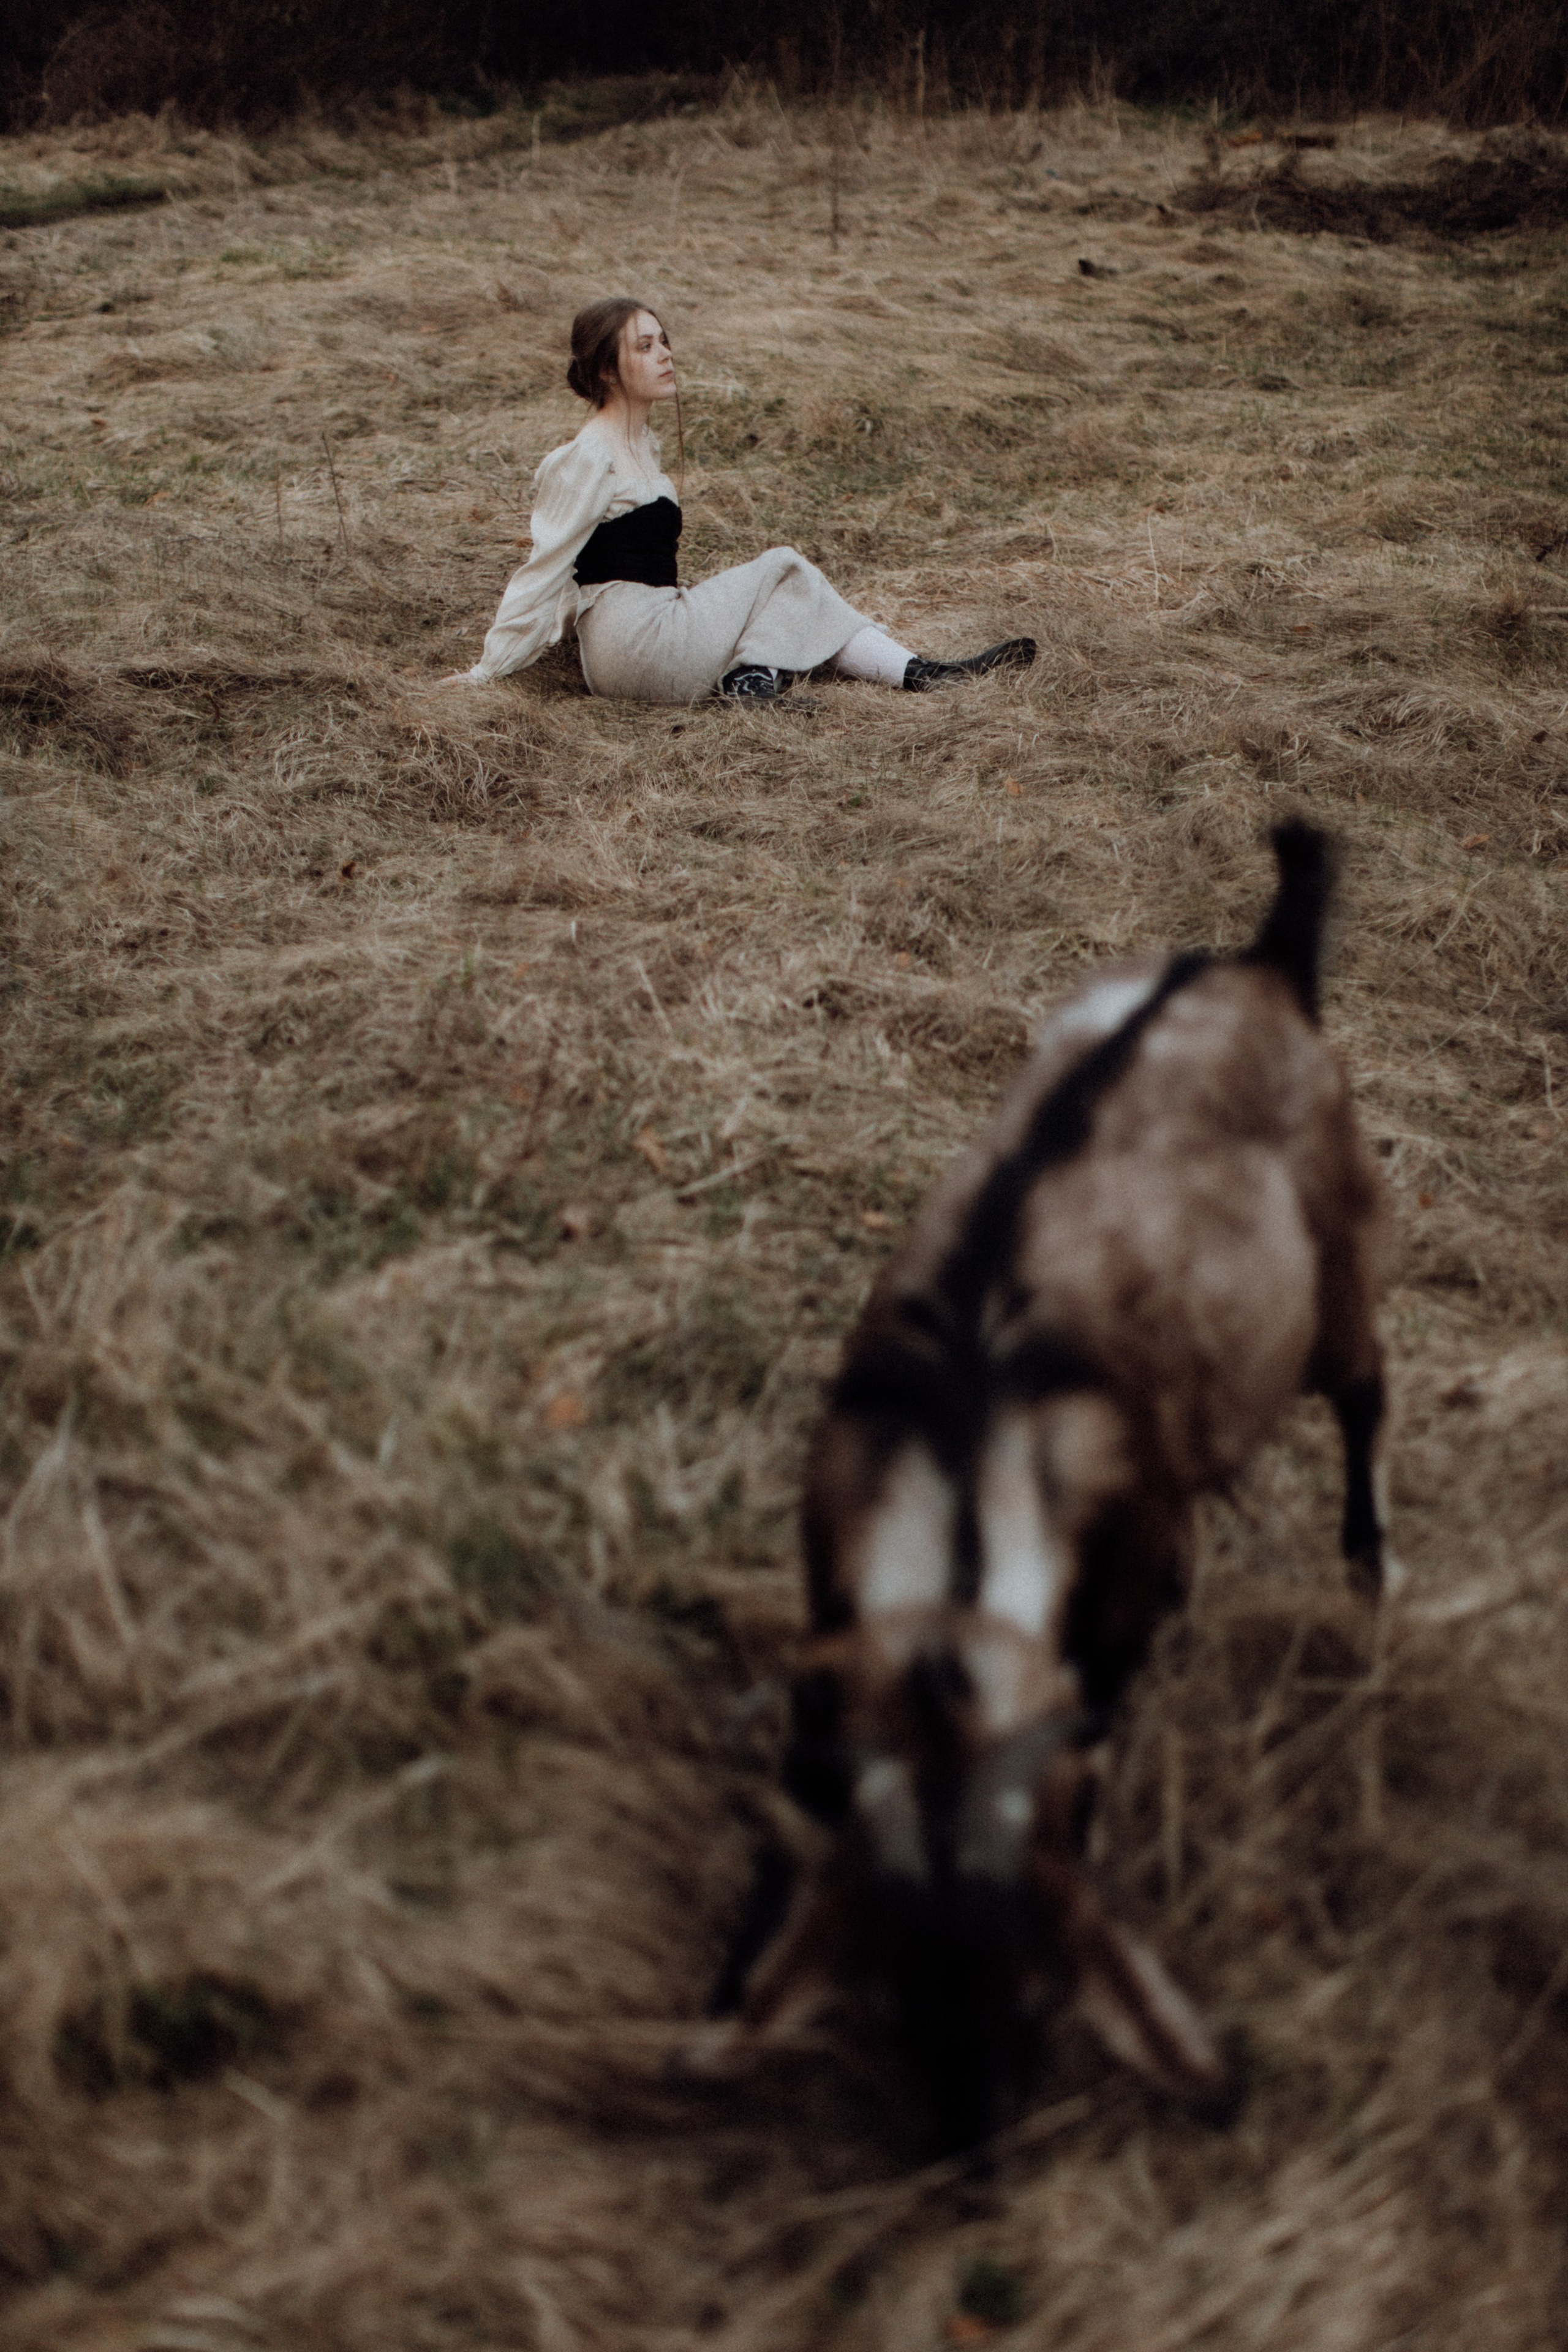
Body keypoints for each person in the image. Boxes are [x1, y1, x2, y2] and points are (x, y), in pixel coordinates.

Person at [440, 296, 1036, 705]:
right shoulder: (587, 457)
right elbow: (541, 568)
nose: (666, 354)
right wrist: (487, 670)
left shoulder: (639, 446)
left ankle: (766, 677)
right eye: (645, 347)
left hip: (651, 625)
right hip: (628, 643)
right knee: (784, 566)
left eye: (664, 341)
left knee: (781, 590)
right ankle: (915, 675)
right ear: (607, 369)